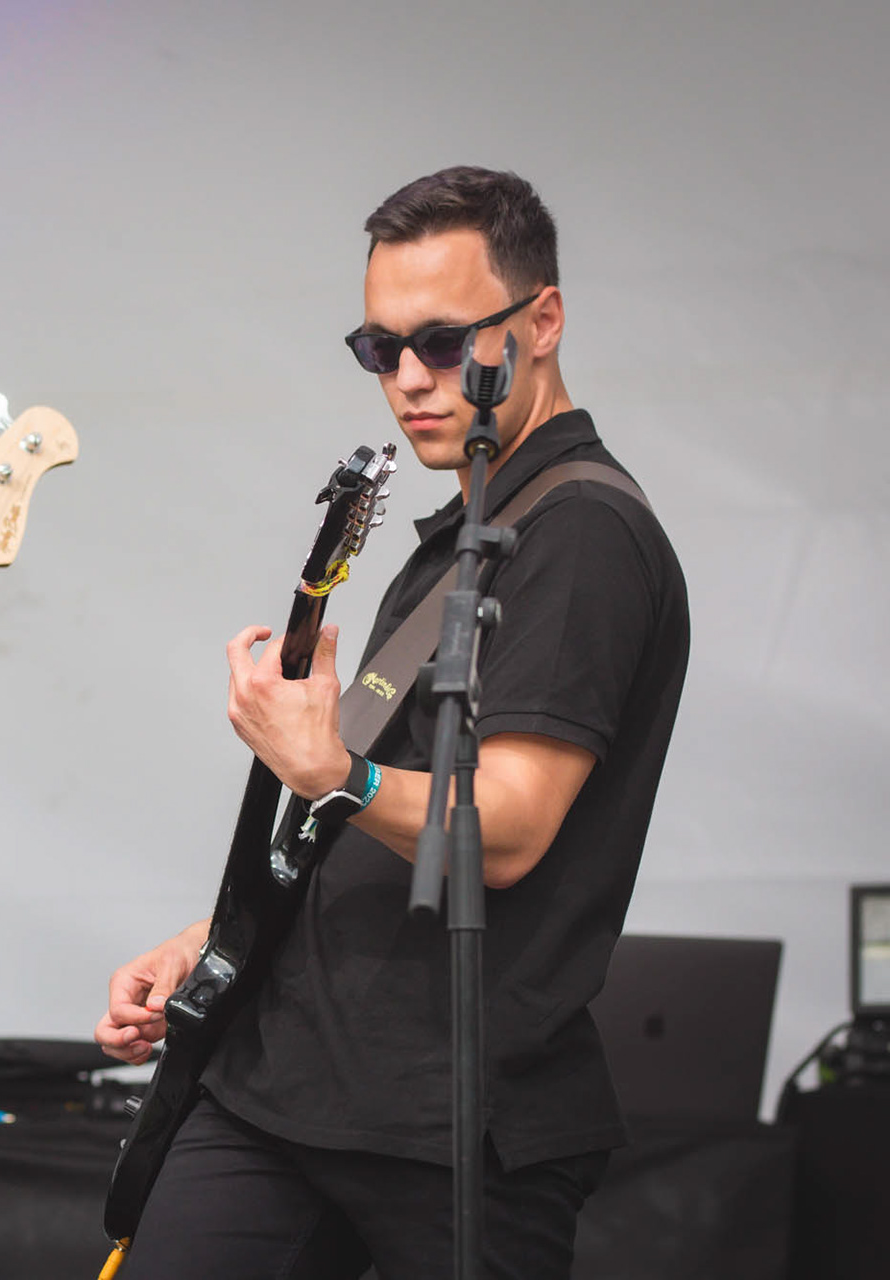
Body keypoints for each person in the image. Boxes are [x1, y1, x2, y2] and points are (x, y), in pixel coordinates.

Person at [94, 167, 690, 1278]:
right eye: (381, 348)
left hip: (451, 1119)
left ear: (544, 321)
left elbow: (504, 828)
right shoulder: (461, 537)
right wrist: (211, 940)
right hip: (280, 1086)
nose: (410, 379)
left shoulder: (584, 533)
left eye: (444, 341)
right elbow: (364, 836)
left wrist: (332, 770)